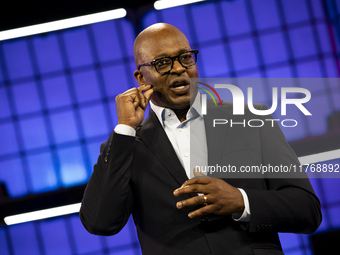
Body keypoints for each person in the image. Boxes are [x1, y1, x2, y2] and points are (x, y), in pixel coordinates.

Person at [80, 23, 322, 255]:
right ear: (142, 78)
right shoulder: (126, 144)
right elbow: (100, 222)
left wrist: (241, 201)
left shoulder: (250, 118)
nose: (178, 68)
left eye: (185, 57)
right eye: (163, 63)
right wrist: (125, 129)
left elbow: (307, 209)